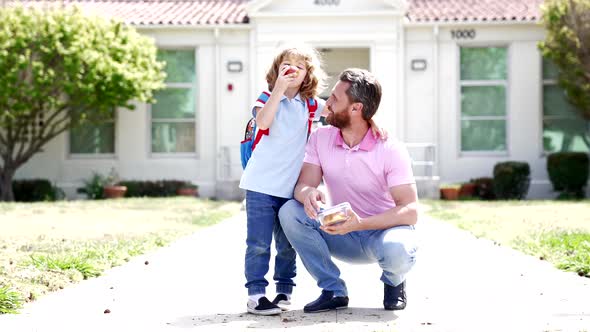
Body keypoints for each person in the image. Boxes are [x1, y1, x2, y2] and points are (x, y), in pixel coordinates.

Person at [278, 68, 419, 314]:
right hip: (342, 230)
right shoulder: (320, 137)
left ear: (356, 109)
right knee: (290, 211)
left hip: (382, 233)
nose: (327, 103)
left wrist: (360, 223)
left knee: (398, 249)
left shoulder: (391, 148)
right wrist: (308, 194)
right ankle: (333, 290)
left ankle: (394, 283)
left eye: (334, 99)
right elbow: (303, 185)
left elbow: (410, 211)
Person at [238, 44, 328, 315]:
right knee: (258, 243)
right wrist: (278, 89)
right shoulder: (267, 96)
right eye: (286, 65)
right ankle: (256, 295)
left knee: (287, 245)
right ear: (277, 71)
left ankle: (283, 291)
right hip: (260, 185)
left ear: (307, 75)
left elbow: (341, 114)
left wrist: (371, 122)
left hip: (290, 189)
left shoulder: (311, 104)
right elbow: (263, 123)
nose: (292, 69)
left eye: (299, 66)